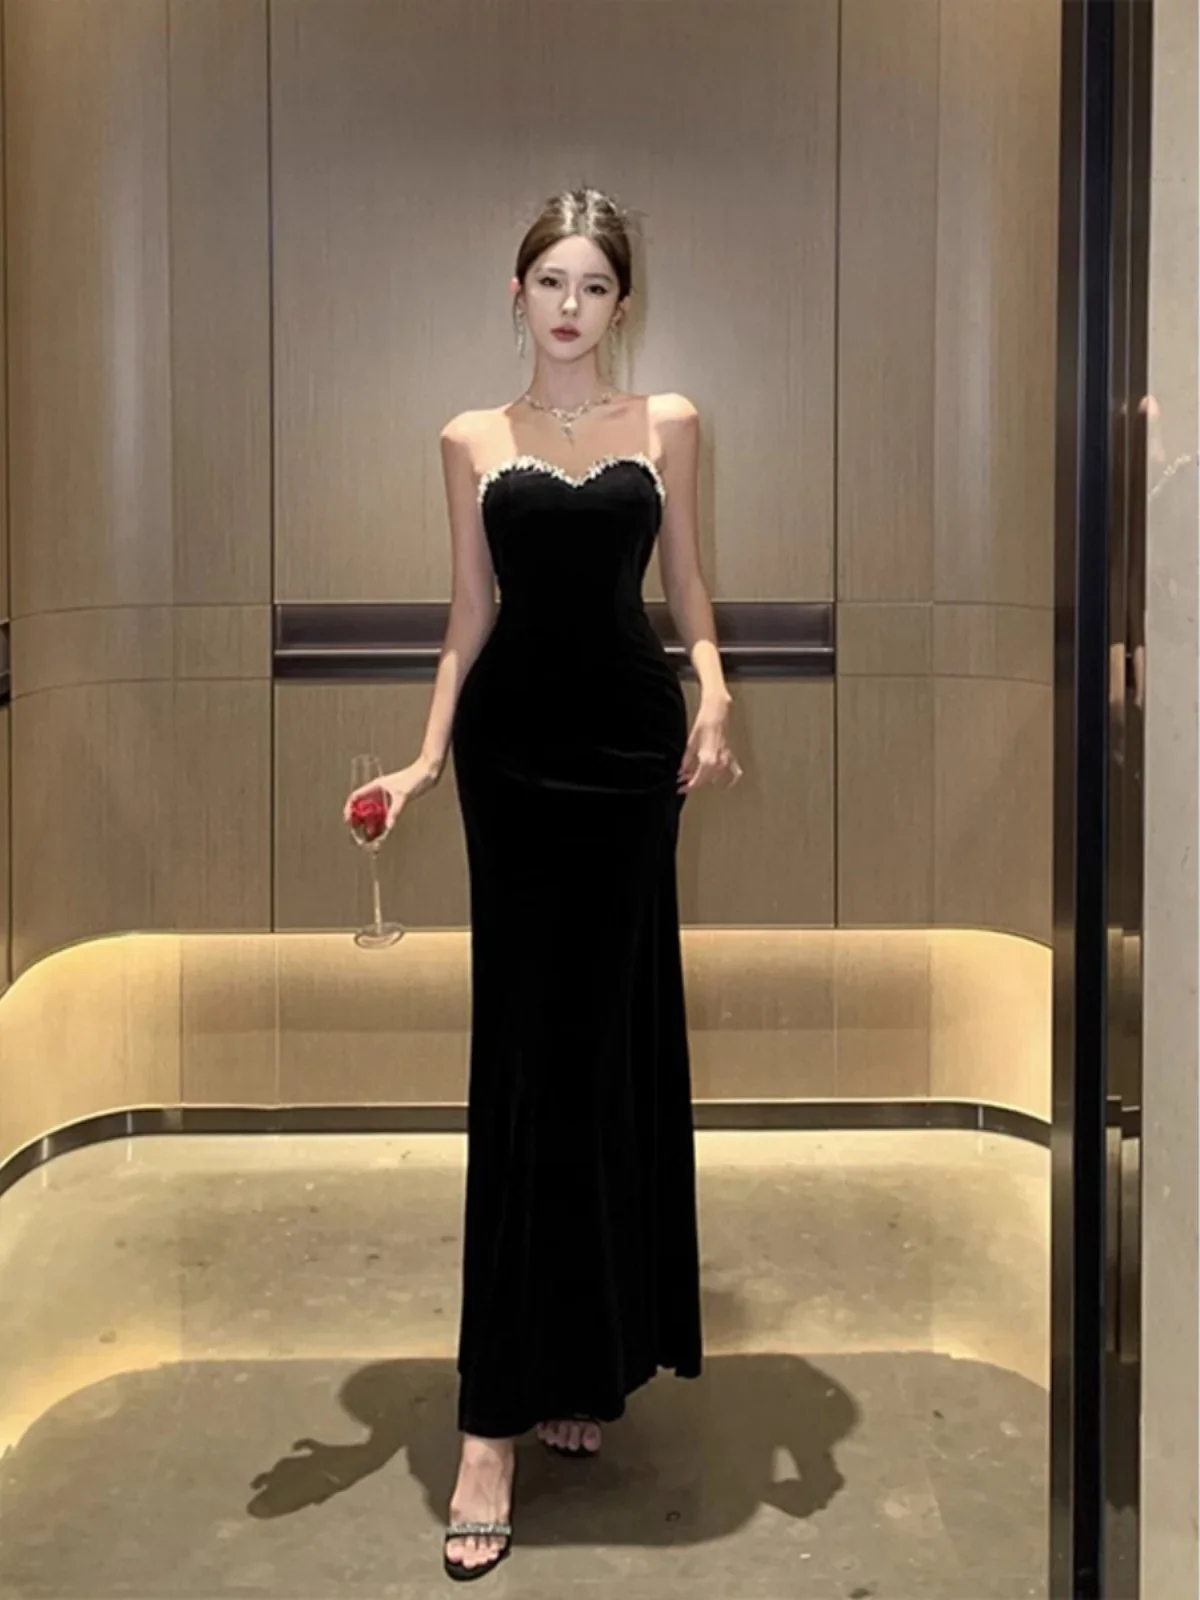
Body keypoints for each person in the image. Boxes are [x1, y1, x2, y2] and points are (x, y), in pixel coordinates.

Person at [344, 185, 741, 1582]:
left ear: (623, 302)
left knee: (608, 1047)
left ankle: (586, 1355)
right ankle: (489, 1430)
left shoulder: (669, 422)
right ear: (515, 295)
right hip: (514, 759)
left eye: (594, 285)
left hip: (631, 753)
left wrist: (713, 691)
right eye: (550, 282)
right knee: (522, 1060)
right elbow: (469, 616)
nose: (571, 306)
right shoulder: (470, 438)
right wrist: (424, 758)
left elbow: (685, 589)